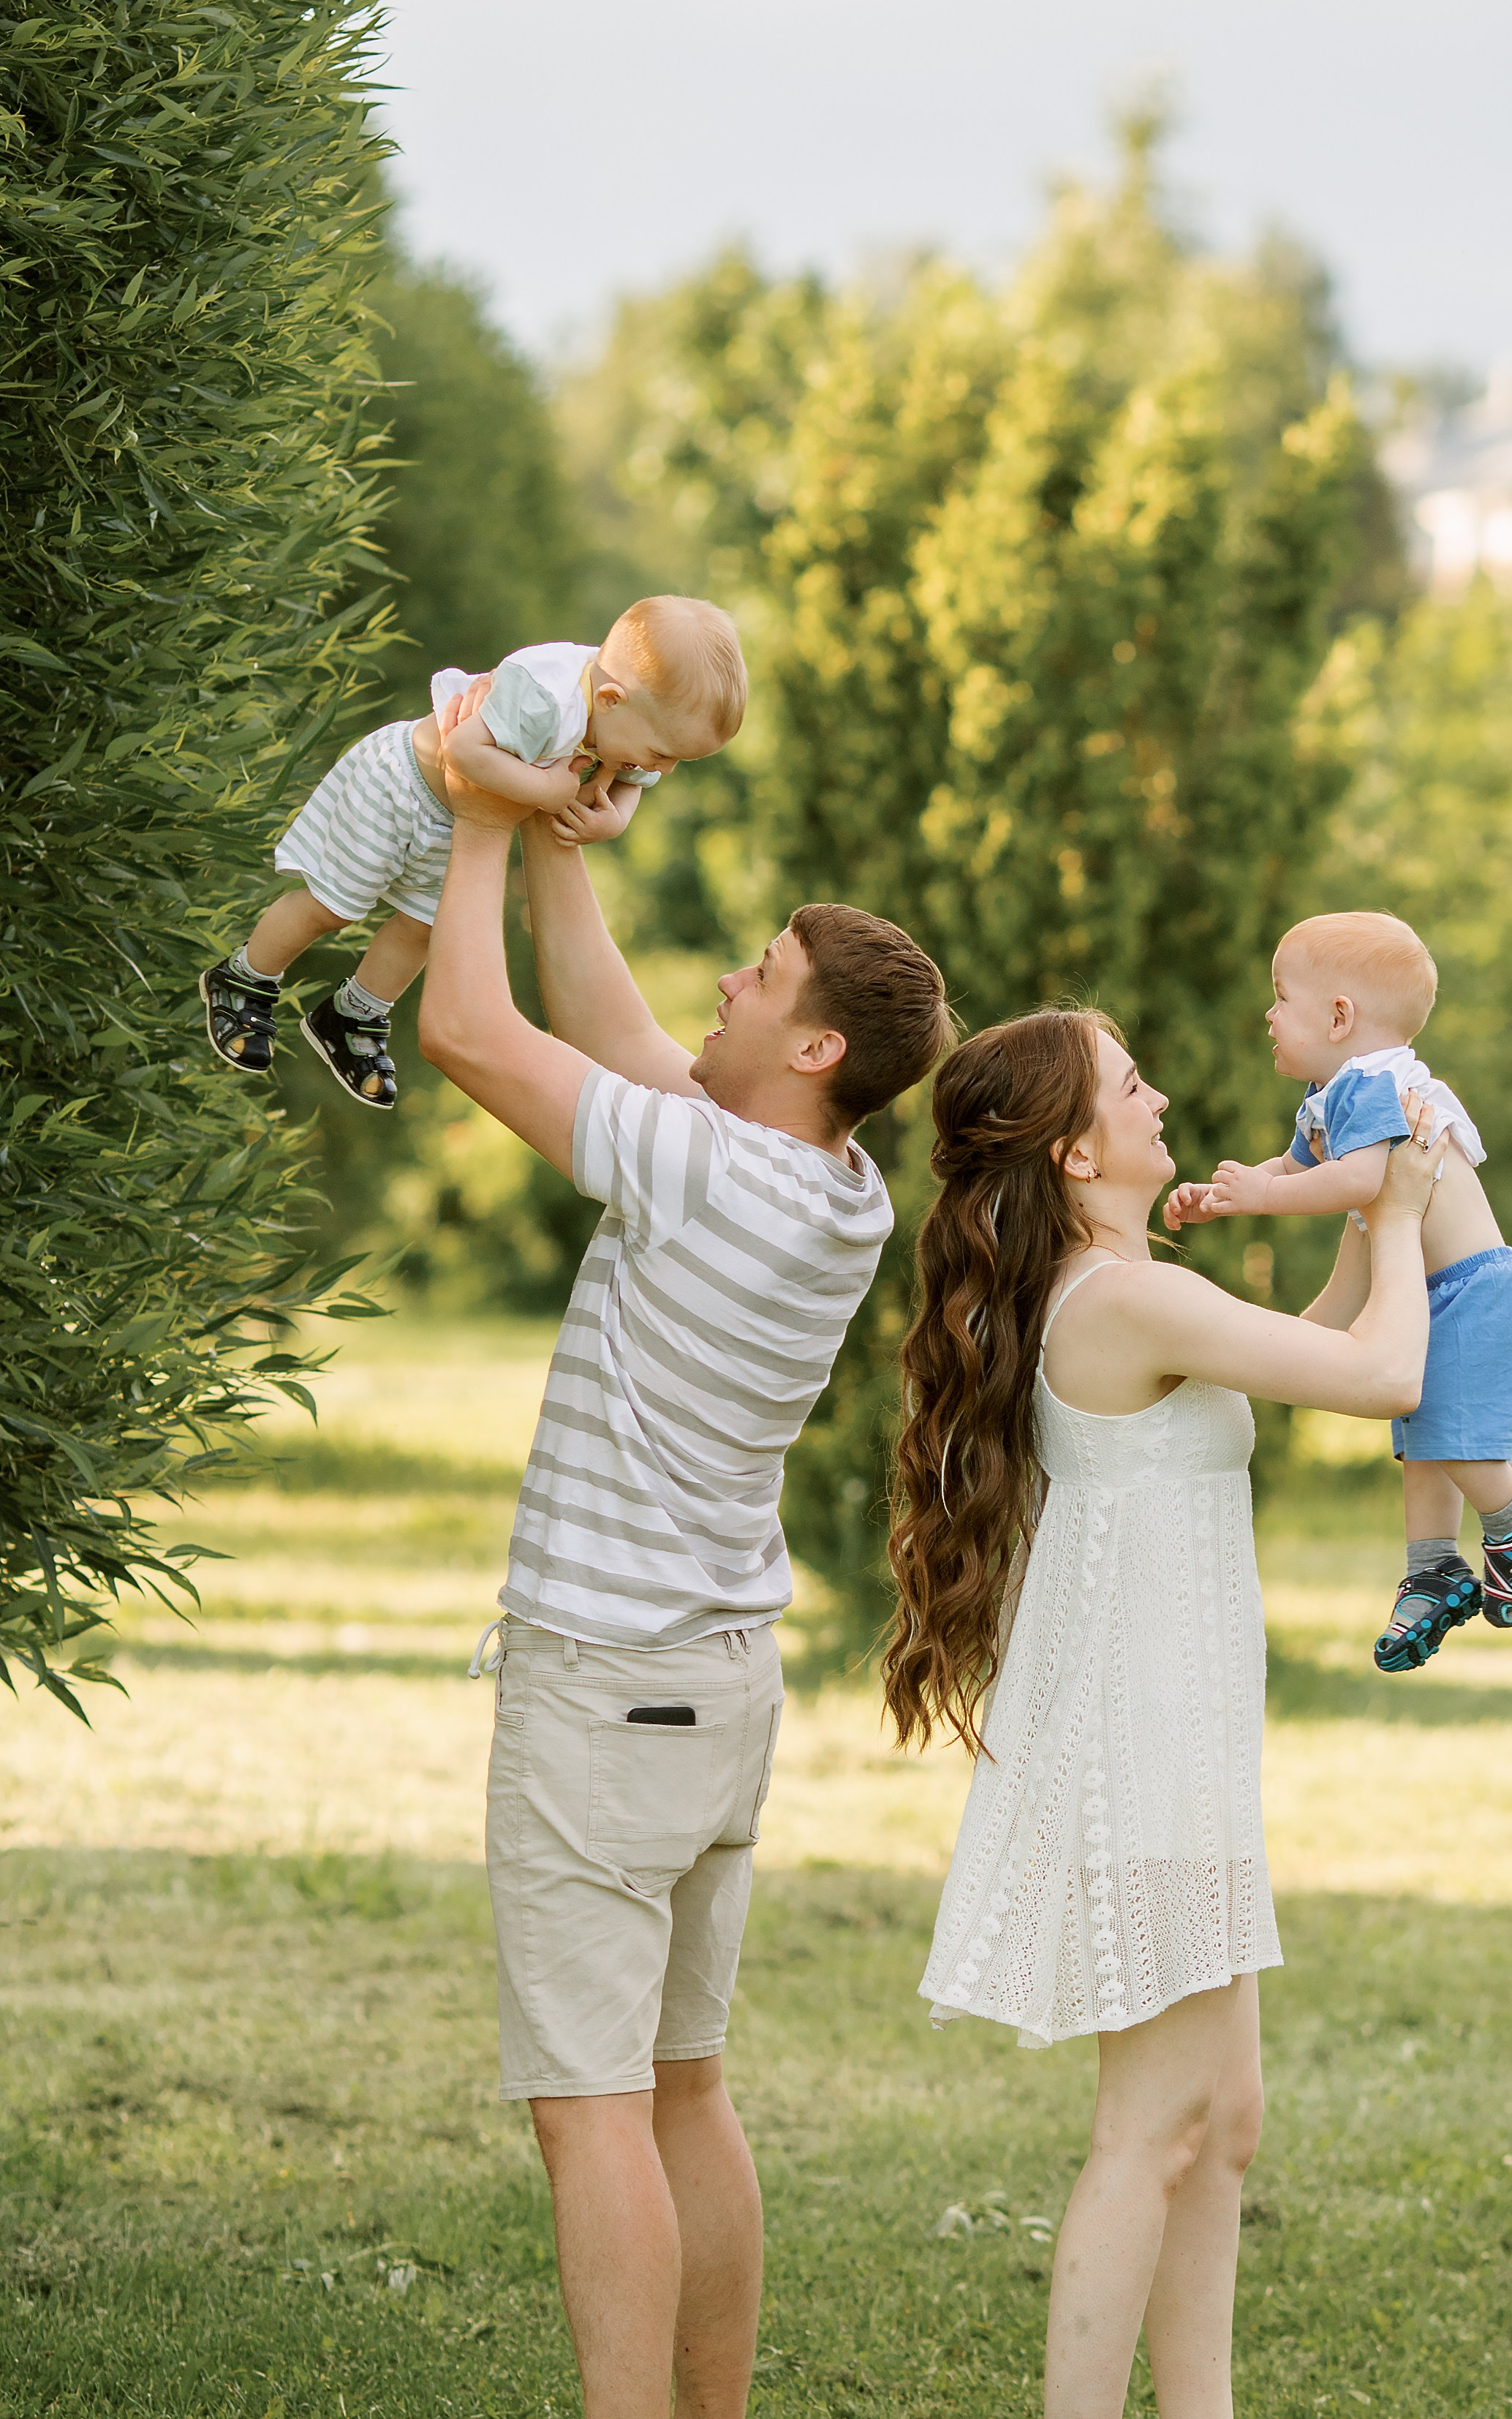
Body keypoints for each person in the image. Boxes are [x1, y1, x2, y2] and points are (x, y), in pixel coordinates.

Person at [417, 702, 951, 2419]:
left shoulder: (702, 1175)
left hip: (603, 1690)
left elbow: (463, 1027)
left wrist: (482, 810)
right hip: (716, 1693)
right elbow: (631, 1041)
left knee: (590, 2113)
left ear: (812, 1051)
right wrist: (571, 850)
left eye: (760, 974)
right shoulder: (832, 1185)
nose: (726, 979)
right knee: (681, 2089)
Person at [883, 1007, 1445, 2419]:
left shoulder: (1134, 1282)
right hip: (1139, 1738)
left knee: (1223, 2121)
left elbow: (1299, 1346)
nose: (1162, 1092)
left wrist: (1357, 1217)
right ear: (1076, 1151)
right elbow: (1384, 1375)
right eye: (1131, 1083)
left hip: (1177, 1727)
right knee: (1151, 2125)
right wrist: (1404, 1202)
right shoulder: (1119, 1298)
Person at [1164, 910, 1512, 1672]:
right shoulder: (1332, 1096)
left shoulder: (1377, 1083)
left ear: (1339, 1016)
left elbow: (1359, 1180)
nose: (1268, 1016)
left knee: (1450, 1435)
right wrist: (1226, 1194)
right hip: (1430, 1284)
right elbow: (1295, 1170)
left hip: (1473, 1287)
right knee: (1421, 1440)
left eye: (1280, 998)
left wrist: (1258, 1198)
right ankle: (1432, 1568)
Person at [199, 595, 745, 1109]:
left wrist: (616, 818)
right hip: (403, 785)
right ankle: (246, 977)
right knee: (334, 905)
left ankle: (354, 1014)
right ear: (610, 701)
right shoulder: (545, 697)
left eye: (677, 761)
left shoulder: (635, 714)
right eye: (661, 753)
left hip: (454, 817)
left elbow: (634, 780)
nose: (662, 769)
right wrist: (547, 793)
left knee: (428, 927)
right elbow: (463, 750)